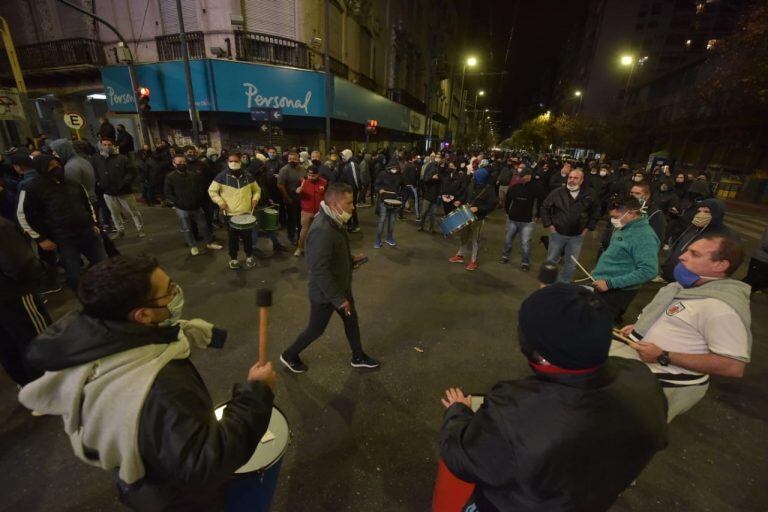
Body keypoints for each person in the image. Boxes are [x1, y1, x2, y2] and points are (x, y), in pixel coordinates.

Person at [18, 255, 276, 510]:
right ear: (143, 316)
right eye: (169, 291)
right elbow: (204, 463)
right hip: (174, 497)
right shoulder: (162, 387)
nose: (177, 292)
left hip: (147, 469)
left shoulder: (95, 336)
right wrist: (256, 393)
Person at [439, 284, 668, 511]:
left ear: (538, 352)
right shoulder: (641, 378)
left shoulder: (515, 411)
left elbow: (465, 460)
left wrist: (457, 413)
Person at [614, 235, 751, 422]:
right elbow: (676, 321)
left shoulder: (721, 308)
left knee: (626, 431)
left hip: (664, 383)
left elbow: (733, 366)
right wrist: (641, 328)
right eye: (686, 250)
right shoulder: (682, 288)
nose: (682, 256)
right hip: (641, 370)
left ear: (720, 265)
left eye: (694, 254)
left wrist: (663, 355)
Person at [280, 182, 379, 373]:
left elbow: (332, 255)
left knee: (351, 321)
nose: (353, 207)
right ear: (335, 205)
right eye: (349, 203)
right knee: (316, 329)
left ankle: (358, 356)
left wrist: (350, 261)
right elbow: (319, 269)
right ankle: (289, 354)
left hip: (340, 289)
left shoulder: (334, 220)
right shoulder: (322, 229)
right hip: (326, 295)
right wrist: (338, 299)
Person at [18, 154, 107, 289]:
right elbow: (23, 216)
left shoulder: (73, 183)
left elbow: (87, 204)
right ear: (41, 168)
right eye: (51, 166)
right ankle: (86, 300)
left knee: (104, 267)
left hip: (88, 233)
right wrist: (41, 239)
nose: (56, 168)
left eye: (57, 164)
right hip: (63, 239)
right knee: (74, 275)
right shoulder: (32, 189)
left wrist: (94, 223)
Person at [591, 197, 660, 322]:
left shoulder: (645, 236)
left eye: (616, 217)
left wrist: (610, 283)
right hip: (603, 285)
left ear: (632, 213)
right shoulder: (624, 226)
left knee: (599, 324)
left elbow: (649, 271)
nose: (613, 221)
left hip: (616, 292)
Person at [0, 217, 50, 386]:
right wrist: (41, 269)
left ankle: (27, 385)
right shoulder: (2, 227)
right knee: (36, 338)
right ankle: (46, 387)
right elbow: (21, 266)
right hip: (13, 294)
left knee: (7, 343)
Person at [541, 168, 600, 283]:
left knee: (571, 263)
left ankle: (564, 284)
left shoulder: (590, 194)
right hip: (557, 234)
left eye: (575, 178)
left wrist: (588, 228)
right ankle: (548, 283)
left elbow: (596, 211)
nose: (571, 180)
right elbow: (544, 207)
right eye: (570, 177)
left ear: (582, 180)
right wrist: (550, 225)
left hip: (577, 236)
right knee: (551, 260)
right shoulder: (557, 192)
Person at [660, 198, 737, 282]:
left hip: (694, 282)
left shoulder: (724, 236)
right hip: (676, 277)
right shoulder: (693, 228)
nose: (701, 214)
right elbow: (678, 249)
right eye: (699, 211)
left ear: (717, 214)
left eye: (707, 212)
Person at [208, 153, 261, 270]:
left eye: (236, 161)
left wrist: (255, 199)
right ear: (227, 162)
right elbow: (212, 191)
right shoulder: (221, 176)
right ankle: (233, 259)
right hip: (230, 215)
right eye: (231, 161)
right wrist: (220, 202)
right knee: (233, 239)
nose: (233, 163)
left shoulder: (248, 176)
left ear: (240, 162)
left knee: (248, 238)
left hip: (246, 214)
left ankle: (249, 256)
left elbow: (257, 190)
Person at [165, 155, 223, 256]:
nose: (182, 164)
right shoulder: (170, 177)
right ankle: (193, 246)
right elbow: (168, 193)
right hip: (182, 208)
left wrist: (199, 200)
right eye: (179, 162)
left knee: (204, 226)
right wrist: (177, 203)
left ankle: (209, 243)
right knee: (186, 228)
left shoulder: (193, 175)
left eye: (183, 162)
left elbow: (200, 188)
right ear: (174, 164)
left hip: (196, 206)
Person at [93, 137, 144, 239]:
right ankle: (120, 230)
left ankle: (140, 229)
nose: (107, 147)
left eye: (109, 145)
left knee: (133, 211)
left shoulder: (122, 158)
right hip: (108, 192)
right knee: (114, 213)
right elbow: (95, 172)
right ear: (101, 145)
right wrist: (99, 182)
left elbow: (131, 171)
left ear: (113, 146)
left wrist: (125, 182)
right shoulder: (97, 159)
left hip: (124, 191)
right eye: (104, 145)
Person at [447, 166, 497, 271]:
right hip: (466, 215)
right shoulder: (472, 184)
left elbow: (492, 205)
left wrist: (478, 208)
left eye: (476, 175)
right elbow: (466, 195)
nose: (473, 176)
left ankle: (473, 261)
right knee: (463, 236)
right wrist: (460, 201)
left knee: (475, 240)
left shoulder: (489, 189)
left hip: (477, 218)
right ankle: (460, 255)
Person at [499, 168, 539, 271]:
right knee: (508, 240)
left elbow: (541, 201)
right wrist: (508, 212)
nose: (520, 178)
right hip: (512, 219)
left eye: (522, 176)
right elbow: (507, 200)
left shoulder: (536, 188)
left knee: (525, 243)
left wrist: (537, 215)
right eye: (519, 176)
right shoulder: (514, 187)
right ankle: (505, 256)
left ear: (529, 176)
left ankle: (525, 262)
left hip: (527, 221)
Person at [295, 165, 327, 257]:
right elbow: (296, 190)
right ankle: (299, 248)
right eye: (309, 175)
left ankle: (317, 248)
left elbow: (326, 195)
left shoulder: (324, 182)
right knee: (304, 231)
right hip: (306, 211)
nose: (310, 177)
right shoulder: (303, 182)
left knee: (319, 231)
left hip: (319, 212)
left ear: (318, 175)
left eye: (313, 175)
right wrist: (297, 190)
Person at [277, 151, 305, 245]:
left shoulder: (302, 169)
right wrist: (287, 198)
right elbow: (280, 185)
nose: (292, 160)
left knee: (300, 219)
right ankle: (291, 236)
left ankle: (301, 236)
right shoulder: (284, 170)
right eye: (290, 159)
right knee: (291, 219)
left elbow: (305, 181)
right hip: (291, 199)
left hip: (301, 199)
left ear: (298, 159)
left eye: (294, 159)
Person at [374, 163, 404, 248]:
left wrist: (400, 194)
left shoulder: (400, 176)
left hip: (395, 201)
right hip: (384, 201)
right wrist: (379, 189)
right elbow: (376, 184)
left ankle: (389, 238)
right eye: (393, 168)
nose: (395, 169)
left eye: (396, 168)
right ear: (389, 167)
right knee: (382, 221)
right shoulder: (383, 174)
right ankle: (377, 240)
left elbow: (403, 186)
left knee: (392, 222)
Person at [339, 149, 362, 232]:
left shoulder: (352, 164)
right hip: (348, 189)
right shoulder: (347, 164)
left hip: (352, 190)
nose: (342, 157)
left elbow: (356, 177)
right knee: (348, 207)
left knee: (352, 208)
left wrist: (358, 188)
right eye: (341, 155)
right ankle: (349, 225)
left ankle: (354, 225)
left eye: (343, 155)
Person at [419, 153, 443, 232]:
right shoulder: (430, 166)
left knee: (433, 213)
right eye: (437, 157)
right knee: (425, 212)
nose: (438, 159)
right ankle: (421, 226)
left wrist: (440, 193)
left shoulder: (439, 167)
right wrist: (432, 177)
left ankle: (431, 228)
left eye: (439, 157)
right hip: (428, 193)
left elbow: (440, 181)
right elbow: (425, 179)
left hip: (435, 194)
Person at [743, 227, 768, 293]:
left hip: (764, 261)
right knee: (749, 283)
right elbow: (765, 244)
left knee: (759, 283)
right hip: (761, 260)